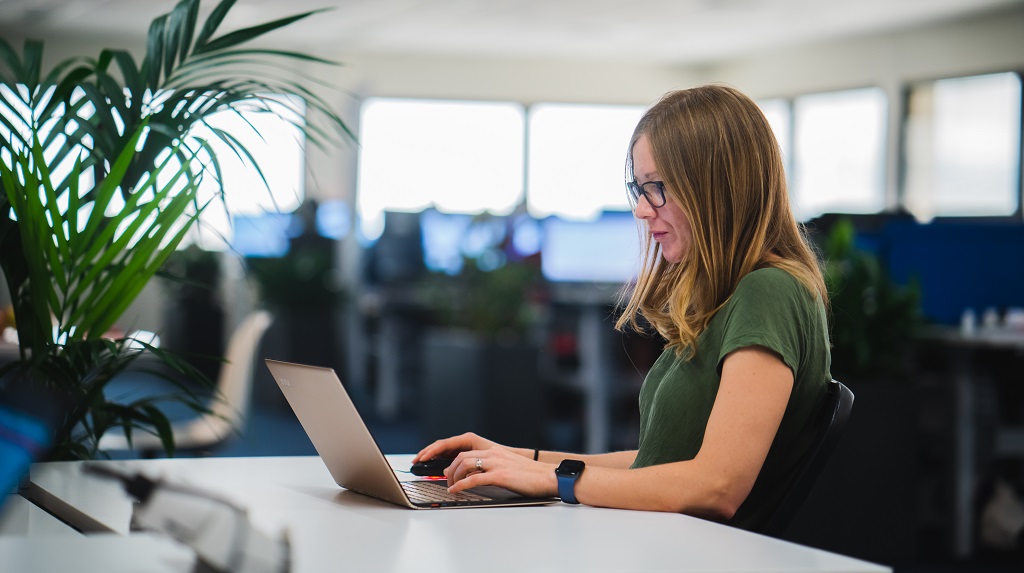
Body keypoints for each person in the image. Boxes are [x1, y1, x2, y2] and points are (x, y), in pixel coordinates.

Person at [413, 84, 831, 531]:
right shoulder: (725, 301)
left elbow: (716, 486)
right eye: (640, 187)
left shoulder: (770, 292)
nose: (641, 209)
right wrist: (518, 459)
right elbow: (659, 460)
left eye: (657, 188)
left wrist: (554, 480)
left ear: (715, 187)